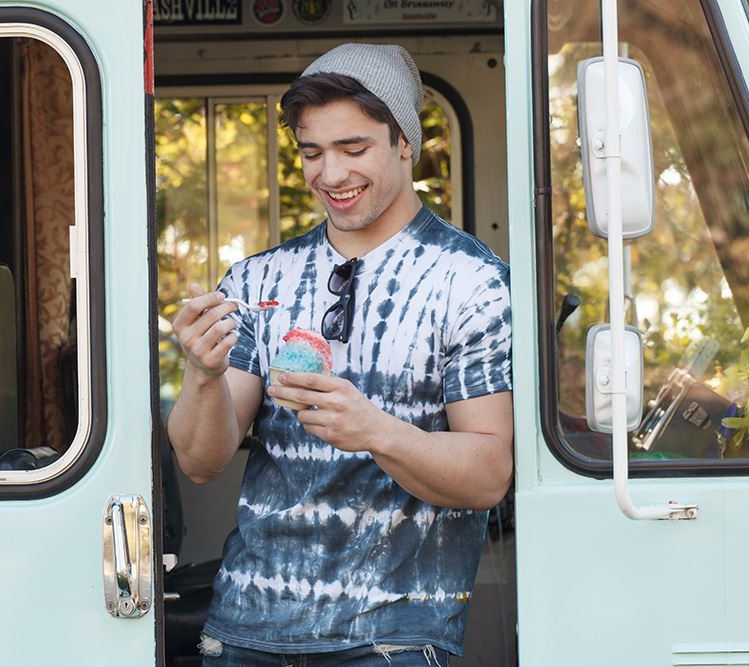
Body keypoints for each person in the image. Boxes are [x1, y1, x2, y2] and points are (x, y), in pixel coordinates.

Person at [167, 43, 513, 666]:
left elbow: (489, 473)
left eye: (353, 150)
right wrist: (202, 373)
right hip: (243, 631)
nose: (330, 175)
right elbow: (198, 461)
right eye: (312, 152)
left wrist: (375, 430)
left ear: (404, 141)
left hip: (393, 640)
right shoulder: (256, 281)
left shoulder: (471, 281)